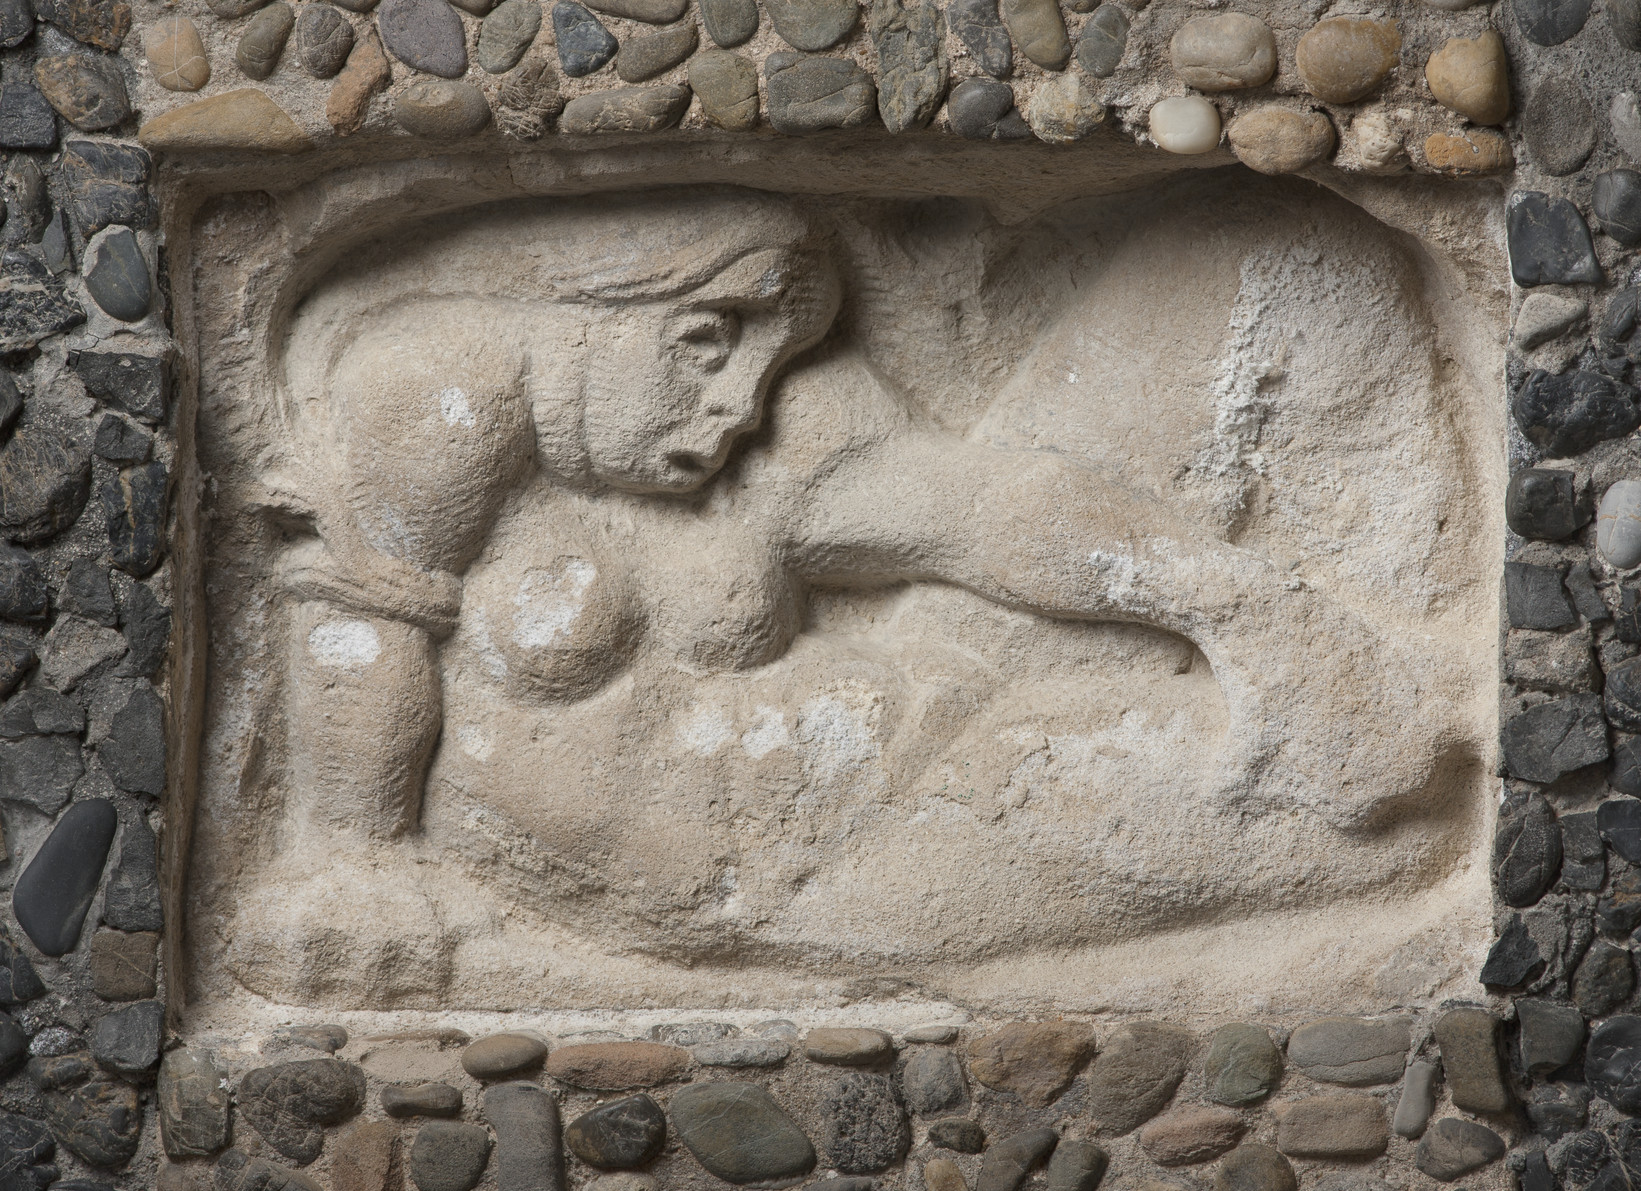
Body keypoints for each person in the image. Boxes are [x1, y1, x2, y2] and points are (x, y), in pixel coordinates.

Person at [240, 188, 1470, 995]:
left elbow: (981, 511)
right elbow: (361, 628)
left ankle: (1403, 655)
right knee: (1388, 832)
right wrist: (351, 861)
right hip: (803, 872)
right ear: (597, 312)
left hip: (931, 714)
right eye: (704, 344)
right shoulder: (434, 395)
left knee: (1289, 259)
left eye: (763, 352)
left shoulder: (772, 411)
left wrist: (1239, 601)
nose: (739, 400)